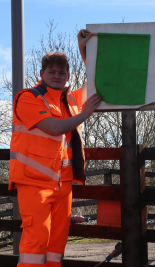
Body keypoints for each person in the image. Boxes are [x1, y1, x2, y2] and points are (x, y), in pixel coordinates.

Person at [8, 29, 100, 267]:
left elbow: (96, 81)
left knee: (56, 247)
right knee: (35, 244)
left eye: (62, 72)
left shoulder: (70, 100)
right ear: (41, 73)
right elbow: (54, 128)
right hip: (34, 184)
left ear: (68, 75)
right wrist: (85, 114)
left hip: (64, 185)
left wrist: (83, 49)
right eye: (52, 72)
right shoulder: (27, 98)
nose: (57, 76)